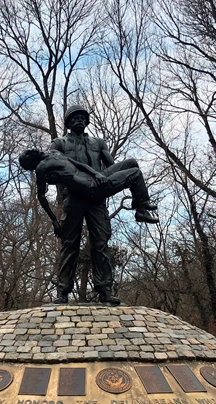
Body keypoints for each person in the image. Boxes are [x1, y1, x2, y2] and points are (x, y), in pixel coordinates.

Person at [19, 105, 158, 305]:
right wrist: (54, 180)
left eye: (82, 117)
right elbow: (54, 170)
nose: (79, 120)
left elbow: (111, 166)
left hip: (96, 193)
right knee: (69, 245)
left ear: (87, 121)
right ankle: (63, 291)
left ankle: (105, 290)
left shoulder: (98, 143)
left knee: (101, 242)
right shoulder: (58, 143)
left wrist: (114, 179)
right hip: (74, 197)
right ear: (68, 123)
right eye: (74, 118)